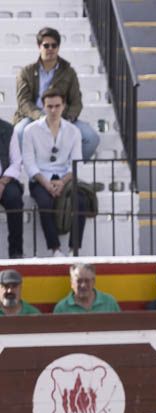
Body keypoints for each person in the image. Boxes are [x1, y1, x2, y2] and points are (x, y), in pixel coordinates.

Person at [13, 27, 100, 162]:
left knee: (91, 138)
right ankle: (29, 171)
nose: (50, 49)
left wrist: (66, 119)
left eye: (54, 45)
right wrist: (41, 117)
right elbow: (24, 103)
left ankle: (67, 169)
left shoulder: (68, 72)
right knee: (18, 133)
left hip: (61, 117)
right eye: (46, 45)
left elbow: (76, 102)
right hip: (33, 117)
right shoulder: (26, 72)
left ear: (58, 47)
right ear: (39, 46)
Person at [22, 90, 87, 258]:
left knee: (81, 202)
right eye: (49, 106)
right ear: (43, 107)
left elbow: (76, 162)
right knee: (45, 203)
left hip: (65, 178)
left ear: (63, 106)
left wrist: (62, 182)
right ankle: (55, 250)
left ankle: (74, 250)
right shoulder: (30, 130)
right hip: (40, 178)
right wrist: (46, 183)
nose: (53, 110)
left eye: (57, 106)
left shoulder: (73, 131)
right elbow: (29, 162)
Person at [53, 262, 121, 313]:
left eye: (87, 281)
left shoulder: (110, 303)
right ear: (71, 283)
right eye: (79, 281)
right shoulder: (61, 308)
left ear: (94, 282)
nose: (83, 285)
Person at [0, 119, 23, 260]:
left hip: (5, 179)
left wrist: (2, 182)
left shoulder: (8, 129)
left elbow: (16, 162)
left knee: (14, 198)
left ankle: (16, 253)